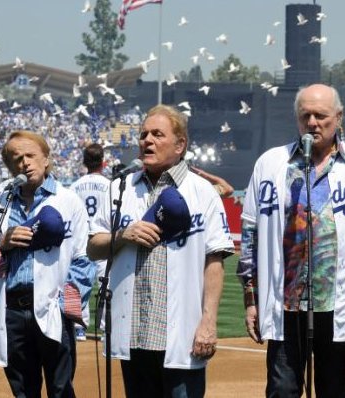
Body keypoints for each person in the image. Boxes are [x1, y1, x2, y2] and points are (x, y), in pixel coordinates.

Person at [237, 83, 345, 397]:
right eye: (305, 115)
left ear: (338, 117)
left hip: (341, 304)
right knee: (282, 390)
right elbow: (251, 234)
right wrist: (251, 301)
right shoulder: (271, 164)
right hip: (286, 306)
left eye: (321, 115)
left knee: (334, 390)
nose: (312, 122)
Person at [87, 104, 235, 398]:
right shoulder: (120, 188)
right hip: (134, 331)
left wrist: (208, 322)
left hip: (180, 332)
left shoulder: (202, 191)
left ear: (180, 145)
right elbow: (93, 248)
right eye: (143, 135)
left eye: (157, 134)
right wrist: (123, 235)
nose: (147, 141)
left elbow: (214, 261)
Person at [0, 130, 94, 397]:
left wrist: (65, 307)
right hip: (13, 312)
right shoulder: (1, 203)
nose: (25, 163)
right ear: (10, 167)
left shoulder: (68, 200)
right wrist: (3, 245)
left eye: (31, 155)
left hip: (54, 308)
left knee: (61, 389)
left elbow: (83, 260)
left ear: (46, 159)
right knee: (23, 391)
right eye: (16, 158)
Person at [69, 143, 110, 341]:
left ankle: (79, 327)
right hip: (102, 239)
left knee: (79, 283)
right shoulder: (110, 185)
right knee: (105, 286)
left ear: (84, 162)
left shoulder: (75, 186)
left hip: (82, 240)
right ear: (103, 162)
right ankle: (104, 330)